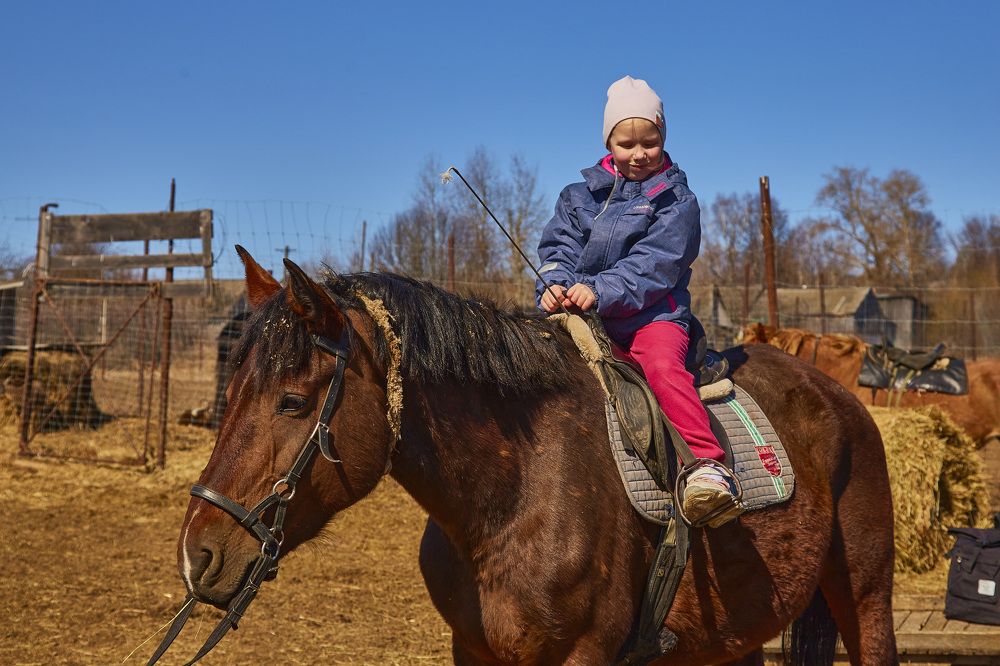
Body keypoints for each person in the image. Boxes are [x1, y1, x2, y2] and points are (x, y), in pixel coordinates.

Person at [536, 75, 739, 527]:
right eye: (626, 143)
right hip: (585, 314)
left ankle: (706, 465)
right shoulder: (576, 197)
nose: (639, 153)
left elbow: (656, 264)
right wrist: (553, 286)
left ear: (663, 140)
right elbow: (557, 251)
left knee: (664, 370)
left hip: (652, 316)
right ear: (609, 142)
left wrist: (601, 290)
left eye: (650, 141)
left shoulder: (676, 201)